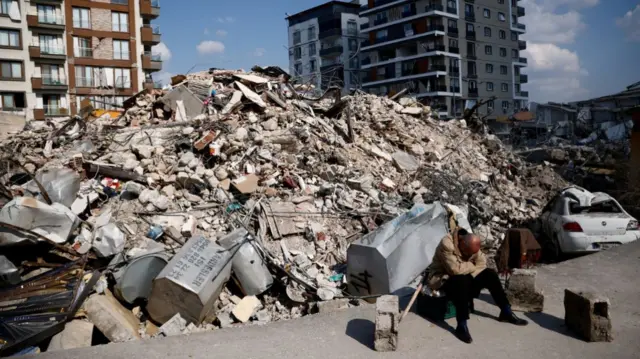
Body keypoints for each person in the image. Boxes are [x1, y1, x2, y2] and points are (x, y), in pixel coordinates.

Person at [427, 228, 528, 344]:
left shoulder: (471, 243)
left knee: (490, 274)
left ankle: (506, 311)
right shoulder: (447, 244)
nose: (471, 255)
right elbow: (454, 269)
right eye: (468, 253)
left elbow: (482, 263)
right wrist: (471, 265)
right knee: (461, 280)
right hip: (443, 278)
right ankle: (462, 324)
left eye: (472, 254)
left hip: (463, 274)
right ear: (462, 244)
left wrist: (469, 268)